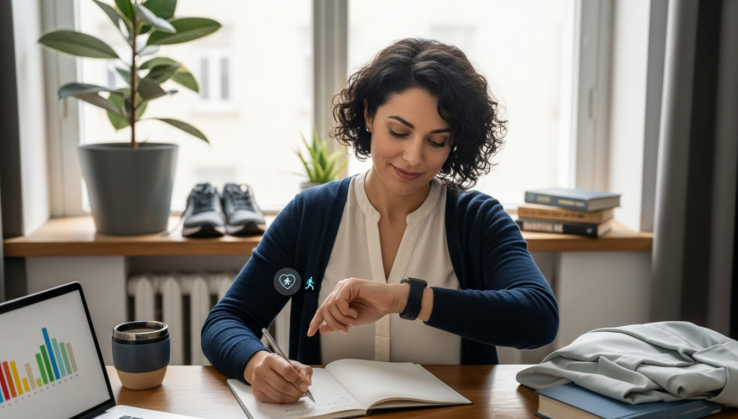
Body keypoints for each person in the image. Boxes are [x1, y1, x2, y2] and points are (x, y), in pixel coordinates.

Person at [201, 38, 559, 404]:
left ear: (454, 144)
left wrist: (403, 298)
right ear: (369, 115)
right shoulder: (311, 215)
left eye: (436, 141)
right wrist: (254, 361)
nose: (413, 157)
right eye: (399, 132)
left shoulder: (477, 220)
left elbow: (538, 318)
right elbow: (227, 320)